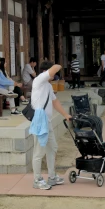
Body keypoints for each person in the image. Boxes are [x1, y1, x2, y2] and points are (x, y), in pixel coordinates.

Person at [28, 62, 73, 190]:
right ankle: (37, 179)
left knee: (52, 148)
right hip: (39, 121)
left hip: (47, 121)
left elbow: (55, 101)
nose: (54, 75)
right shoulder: (39, 80)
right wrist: (59, 65)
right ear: (46, 71)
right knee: (38, 152)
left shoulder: (48, 85)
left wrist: (65, 115)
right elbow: (54, 69)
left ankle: (52, 176)